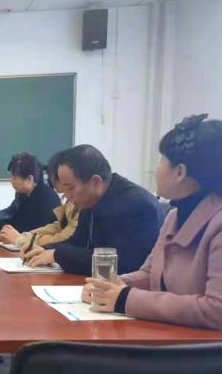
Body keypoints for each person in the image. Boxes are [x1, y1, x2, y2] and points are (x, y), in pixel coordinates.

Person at [83, 114, 222, 330]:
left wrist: (124, 298)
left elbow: (217, 310)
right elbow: (150, 274)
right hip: (170, 336)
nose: (156, 169)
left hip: (201, 349)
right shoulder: (174, 217)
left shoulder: (217, 225)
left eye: (160, 161)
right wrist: (111, 286)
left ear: (179, 172)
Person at [23, 144, 163, 275]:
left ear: (95, 182)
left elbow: (119, 263)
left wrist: (57, 255)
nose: (67, 196)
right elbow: (77, 241)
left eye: (71, 188)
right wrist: (44, 250)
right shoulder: (91, 200)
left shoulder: (138, 205)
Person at [0, 151, 81, 249]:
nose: (66, 196)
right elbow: (58, 226)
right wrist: (27, 236)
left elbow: (65, 238)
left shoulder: (46, 196)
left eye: (15, 177)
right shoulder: (23, 195)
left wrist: (21, 240)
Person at [0, 152, 60, 237]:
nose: (11, 181)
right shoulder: (23, 195)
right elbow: (13, 218)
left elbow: (28, 228)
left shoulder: (45, 198)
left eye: (15, 178)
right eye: (11, 176)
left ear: (29, 179)